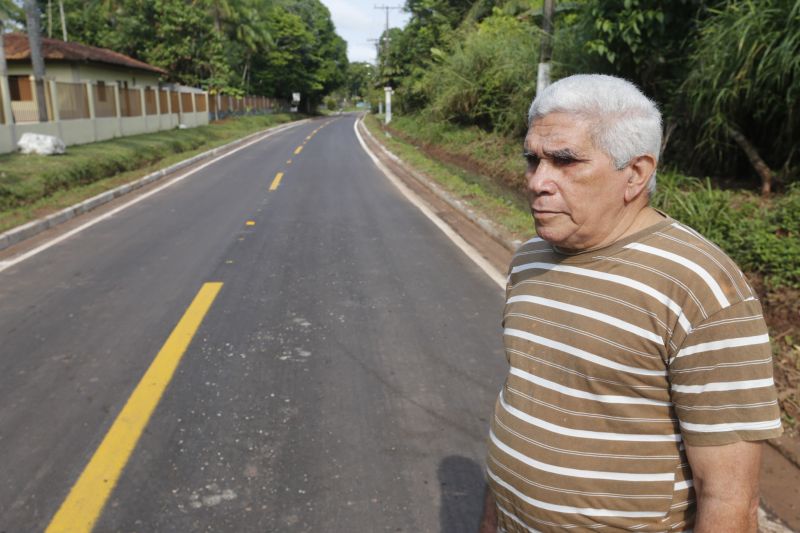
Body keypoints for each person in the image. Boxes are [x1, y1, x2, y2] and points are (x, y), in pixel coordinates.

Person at [479, 74, 783, 533]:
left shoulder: (700, 287)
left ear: (636, 174)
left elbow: (729, 502)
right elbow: (521, 407)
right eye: (533, 159)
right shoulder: (529, 260)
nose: (538, 181)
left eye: (565, 161)